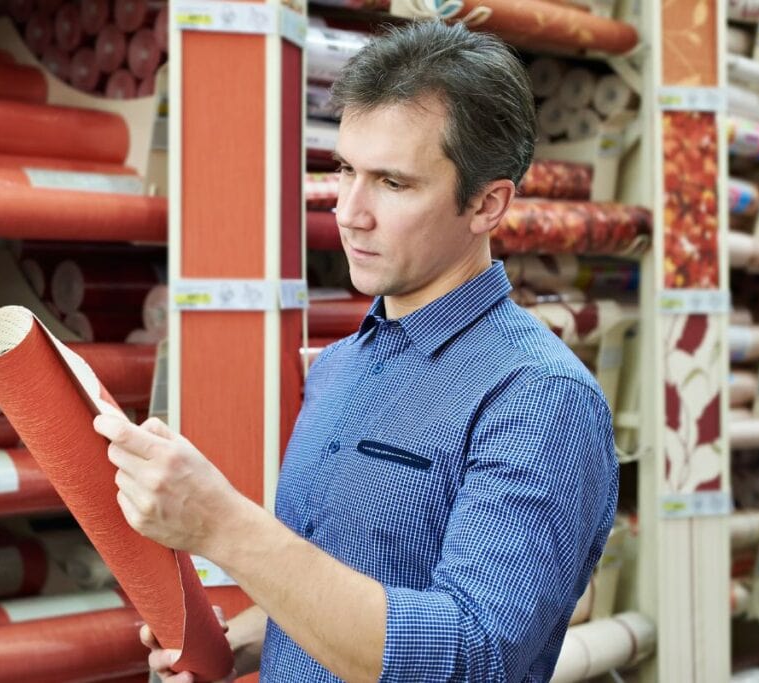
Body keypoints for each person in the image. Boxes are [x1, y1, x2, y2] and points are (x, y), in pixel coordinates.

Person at [93, 19, 619, 683]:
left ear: (488, 204)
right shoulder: (340, 366)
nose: (349, 211)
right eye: (345, 169)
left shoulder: (538, 397)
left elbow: (471, 658)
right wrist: (241, 642)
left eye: (393, 183)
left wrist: (225, 526)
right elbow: (354, 580)